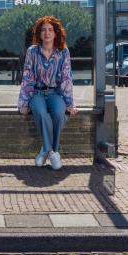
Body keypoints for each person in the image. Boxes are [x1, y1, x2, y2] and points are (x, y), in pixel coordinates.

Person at [18, 15, 77, 170]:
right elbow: (27, 77)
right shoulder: (32, 51)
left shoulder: (63, 52)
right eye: (43, 30)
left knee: (59, 113)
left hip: (55, 93)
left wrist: (70, 103)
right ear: (39, 33)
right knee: (41, 113)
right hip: (37, 93)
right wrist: (23, 103)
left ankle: (45, 150)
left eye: (50, 30)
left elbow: (66, 78)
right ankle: (52, 152)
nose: (47, 33)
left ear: (56, 33)